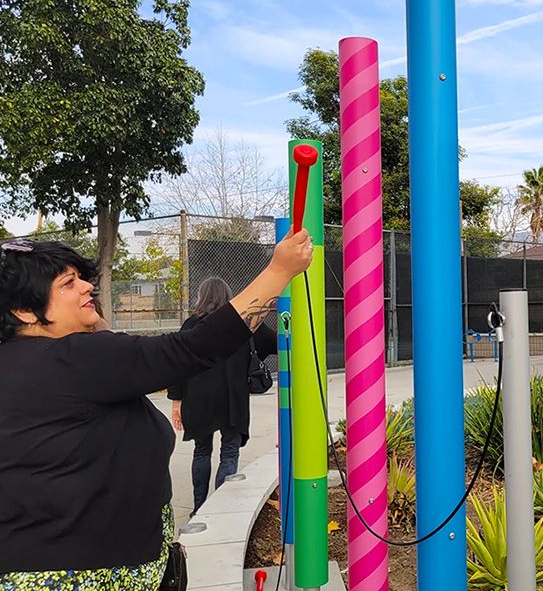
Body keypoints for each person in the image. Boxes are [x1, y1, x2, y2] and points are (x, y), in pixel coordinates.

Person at [0, 230, 312, 589]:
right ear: (23, 311)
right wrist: (278, 272)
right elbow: (192, 349)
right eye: (69, 283)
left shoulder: (27, 363)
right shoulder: (75, 360)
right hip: (91, 574)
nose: (87, 287)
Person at [168, 277, 277, 515]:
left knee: (202, 450)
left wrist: (177, 402)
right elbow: (275, 343)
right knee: (229, 450)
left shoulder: (190, 325)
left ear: (202, 296)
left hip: (198, 398)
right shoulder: (242, 324)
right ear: (229, 297)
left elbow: (177, 364)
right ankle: (218, 507)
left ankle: (199, 506)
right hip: (232, 398)